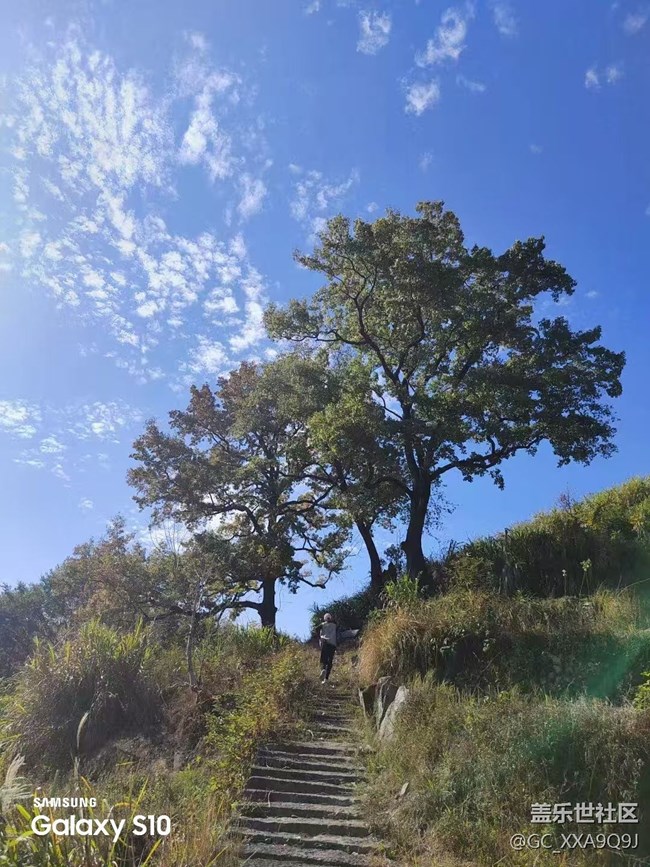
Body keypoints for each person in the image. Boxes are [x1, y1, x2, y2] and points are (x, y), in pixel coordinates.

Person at [318, 612, 337, 683]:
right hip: (333, 644)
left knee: (323, 659)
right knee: (330, 660)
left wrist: (320, 637)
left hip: (325, 643)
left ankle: (323, 669)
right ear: (331, 618)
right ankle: (326, 678)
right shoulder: (335, 625)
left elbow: (316, 629)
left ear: (325, 619)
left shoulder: (323, 625)